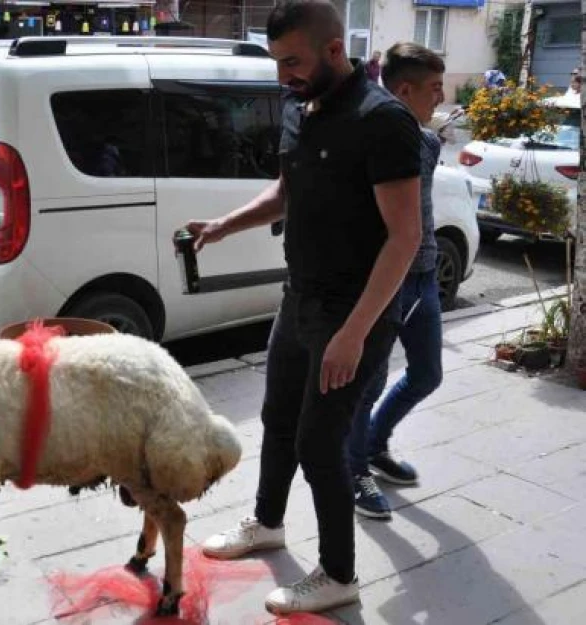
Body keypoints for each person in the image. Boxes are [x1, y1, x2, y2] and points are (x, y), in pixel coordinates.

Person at [191, 0, 422, 615]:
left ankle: (338, 574)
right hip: (300, 298)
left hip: (354, 312)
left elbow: (406, 239)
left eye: (291, 62)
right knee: (277, 420)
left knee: (321, 445)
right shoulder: (302, 108)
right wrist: (224, 224)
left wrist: (353, 334)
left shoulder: (383, 121)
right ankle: (268, 522)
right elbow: (287, 193)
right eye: (276, 63)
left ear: (334, 50)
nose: (281, 76)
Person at [346, 43, 445, 521]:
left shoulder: (427, 141)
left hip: (424, 274)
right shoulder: (375, 135)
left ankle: (374, 443)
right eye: (433, 89)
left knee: (427, 373)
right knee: (371, 379)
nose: (440, 99)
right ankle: (354, 467)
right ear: (404, 89)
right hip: (389, 277)